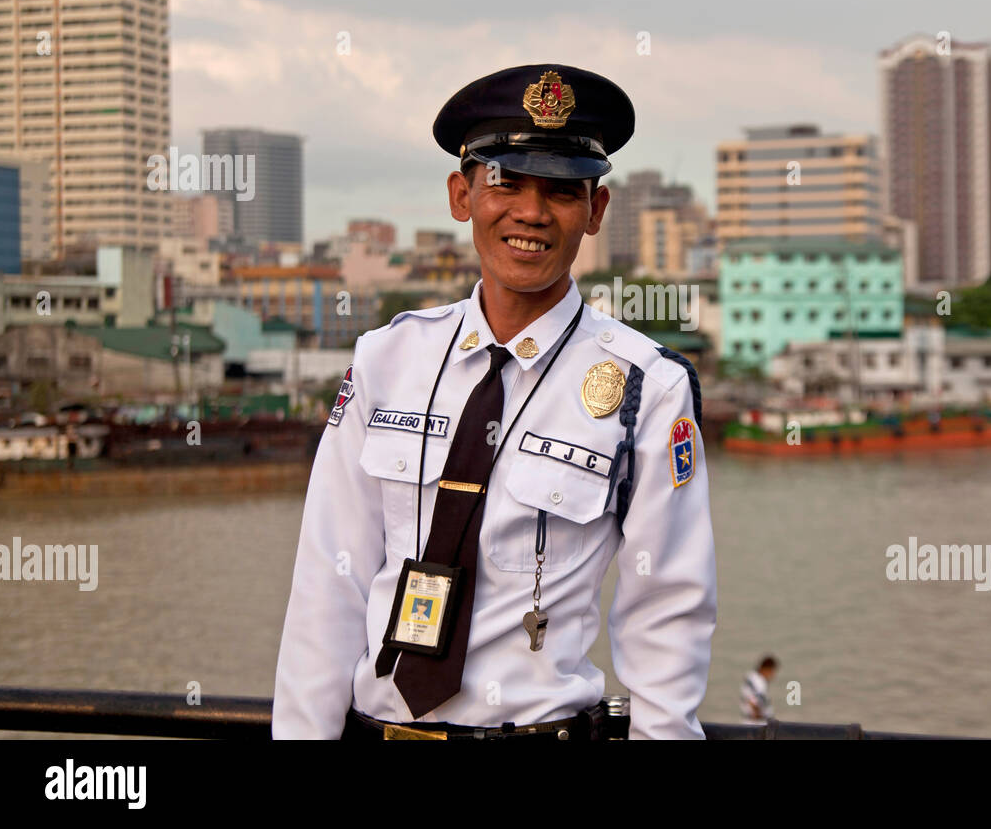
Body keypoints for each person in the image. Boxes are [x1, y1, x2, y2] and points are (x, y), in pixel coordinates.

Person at [272, 63, 717, 740]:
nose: (532, 213)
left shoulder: (646, 389)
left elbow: (668, 613)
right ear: (462, 194)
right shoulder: (385, 361)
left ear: (596, 210)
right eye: (506, 182)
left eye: (563, 191)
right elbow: (327, 584)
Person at [740, 655, 778, 724]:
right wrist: (759, 717)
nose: (772, 675)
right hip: (756, 725)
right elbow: (753, 702)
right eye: (772, 671)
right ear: (766, 668)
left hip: (756, 724)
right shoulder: (756, 680)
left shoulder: (754, 679)